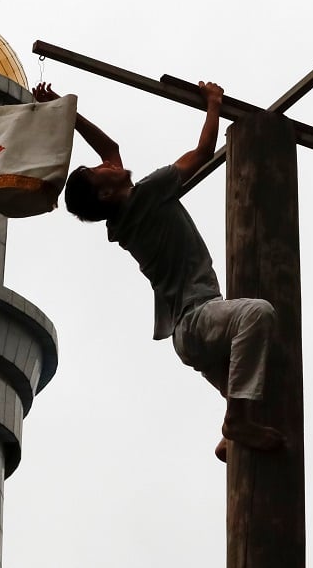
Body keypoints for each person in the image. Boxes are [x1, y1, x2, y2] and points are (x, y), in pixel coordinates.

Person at [32, 81, 284, 461]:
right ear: (105, 192)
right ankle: (235, 424)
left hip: (188, 335)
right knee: (257, 314)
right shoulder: (147, 194)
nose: (110, 164)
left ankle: (233, 433)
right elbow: (201, 152)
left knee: (252, 392)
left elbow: (110, 148)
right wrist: (213, 103)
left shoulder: (121, 219)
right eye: (103, 171)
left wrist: (67, 115)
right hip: (199, 319)